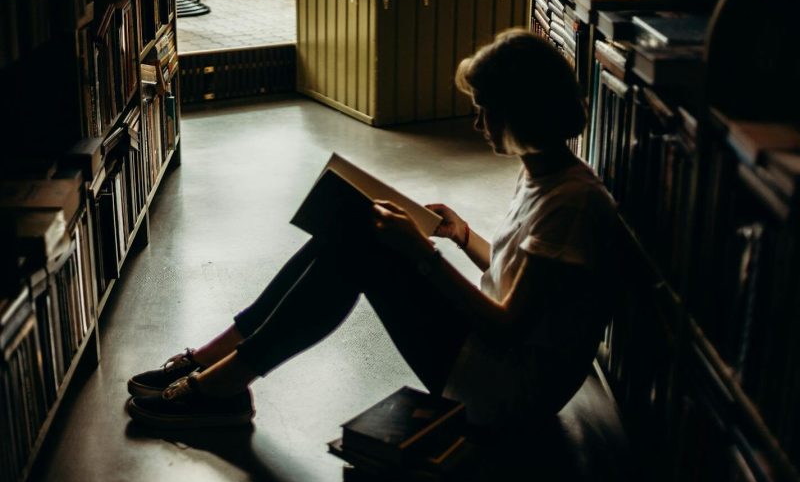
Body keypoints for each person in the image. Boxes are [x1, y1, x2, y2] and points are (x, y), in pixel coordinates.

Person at [125, 28, 619, 430]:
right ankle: (221, 364)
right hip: (488, 357)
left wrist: (422, 254)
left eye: (486, 109)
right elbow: (522, 280)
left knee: (362, 244)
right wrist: (464, 236)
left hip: (506, 390)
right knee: (354, 227)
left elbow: (508, 324)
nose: (476, 123)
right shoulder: (545, 172)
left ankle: (221, 382)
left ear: (523, 112)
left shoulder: (571, 202)